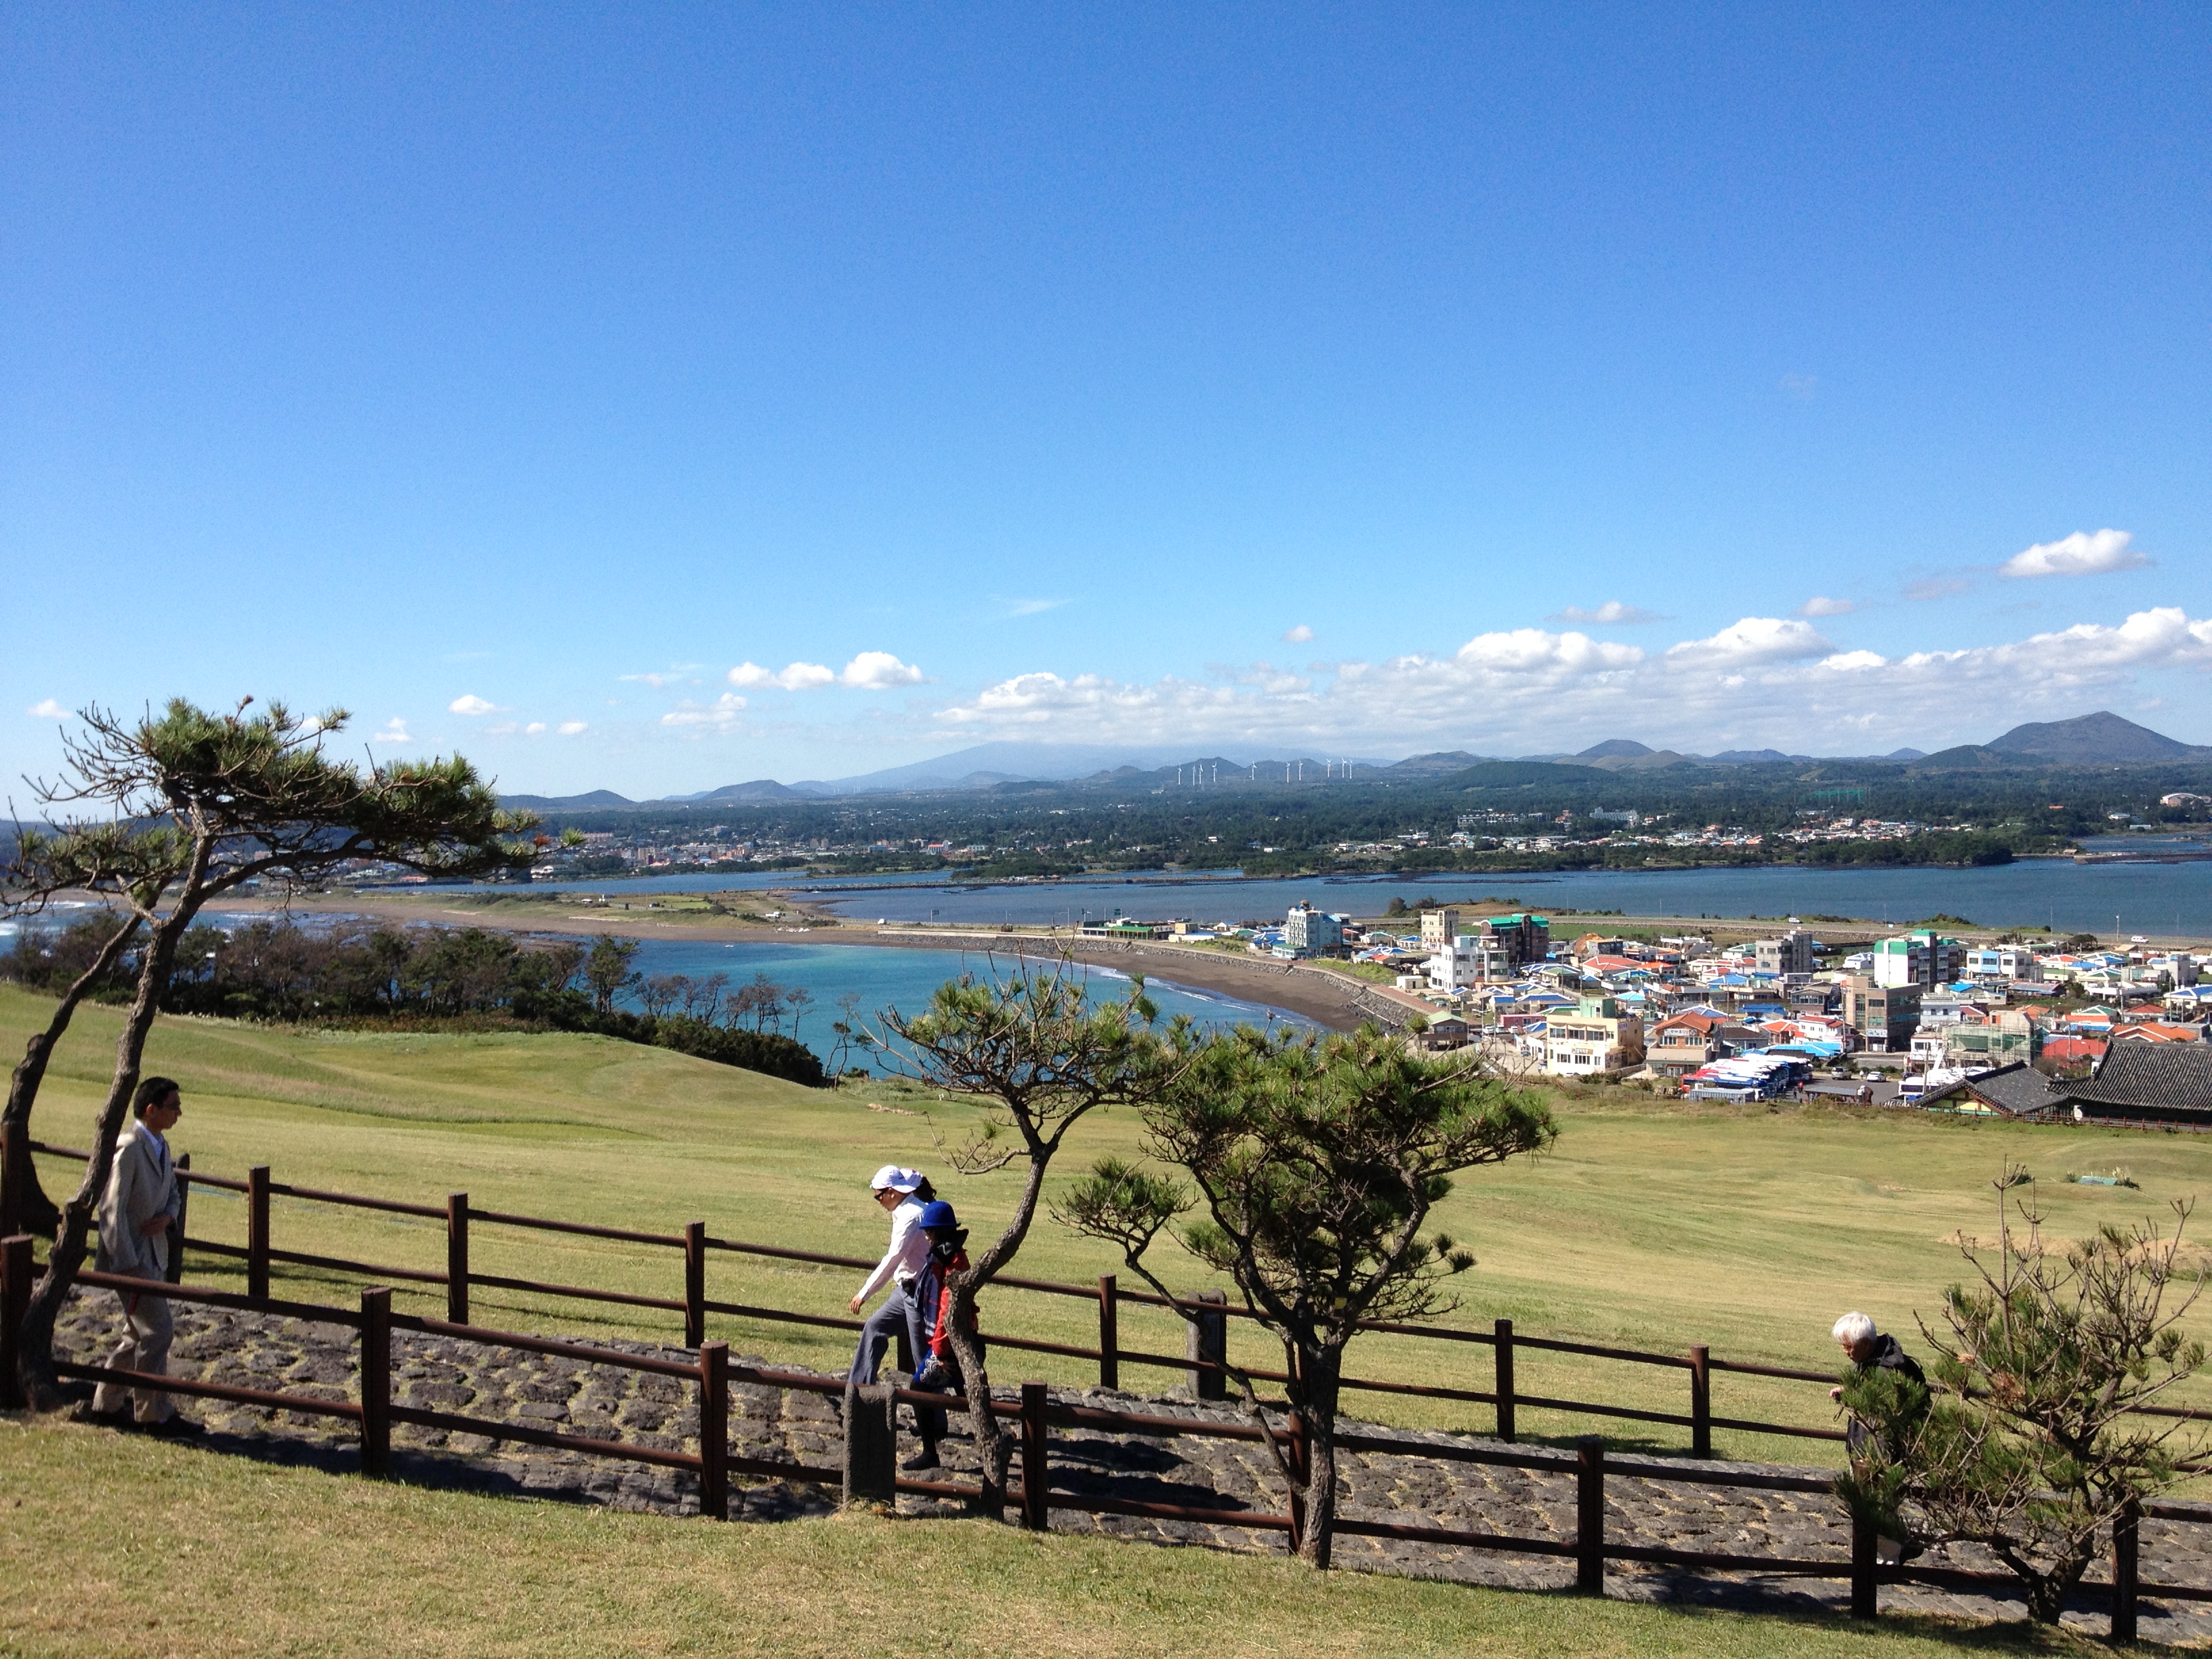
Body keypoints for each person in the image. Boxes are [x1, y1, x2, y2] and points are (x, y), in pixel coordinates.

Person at [87, 1076, 199, 1435]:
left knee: (136, 1334)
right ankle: (153, 1414)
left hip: (154, 1257)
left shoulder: (161, 1146)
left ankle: (106, 1405)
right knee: (159, 1331)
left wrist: (168, 1216)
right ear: (151, 1109)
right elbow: (111, 1208)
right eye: (173, 1106)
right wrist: (126, 1264)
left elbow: (173, 1196)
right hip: (133, 1261)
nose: (179, 1112)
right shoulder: (129, 1146)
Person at [1830, 1311, 1926, 1563]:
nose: (1845, 1352)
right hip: (1867, 1450)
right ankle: (1892, 1554)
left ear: (1864, 1344)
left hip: (1878, 1455)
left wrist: (1879, 1462)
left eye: (1848, 1346)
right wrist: (1849, 1393)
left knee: (1873, 1510)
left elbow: (1885, 1420)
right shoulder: (1873, 1361)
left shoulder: (1887, 1372)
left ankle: (1892, 1557)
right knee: (1875, 1509)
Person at [903, 1199, 982, 1472]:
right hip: (962, 1343)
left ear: (939, 1232)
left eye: (929, 1232)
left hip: (950, 1348)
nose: (926, 1236)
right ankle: (986, 1441)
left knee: (919, 1389)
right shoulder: (949, 1257)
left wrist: (937, 1352)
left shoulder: (952, 1264)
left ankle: (930, 1452)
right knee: (970, 1392)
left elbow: (946, 1313)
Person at [847, 1164, 935, 1387]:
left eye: (879, 1196)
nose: (879, 1202)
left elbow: (892, 1259)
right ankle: (859, 1392)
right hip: (905, 1290)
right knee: (874, 1327)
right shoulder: (907, 1210)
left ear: (892, 1192)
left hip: (918, 1294)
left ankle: (933, 1416)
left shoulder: (911, 1217)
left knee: (922, 1359)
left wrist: (863, 1294)